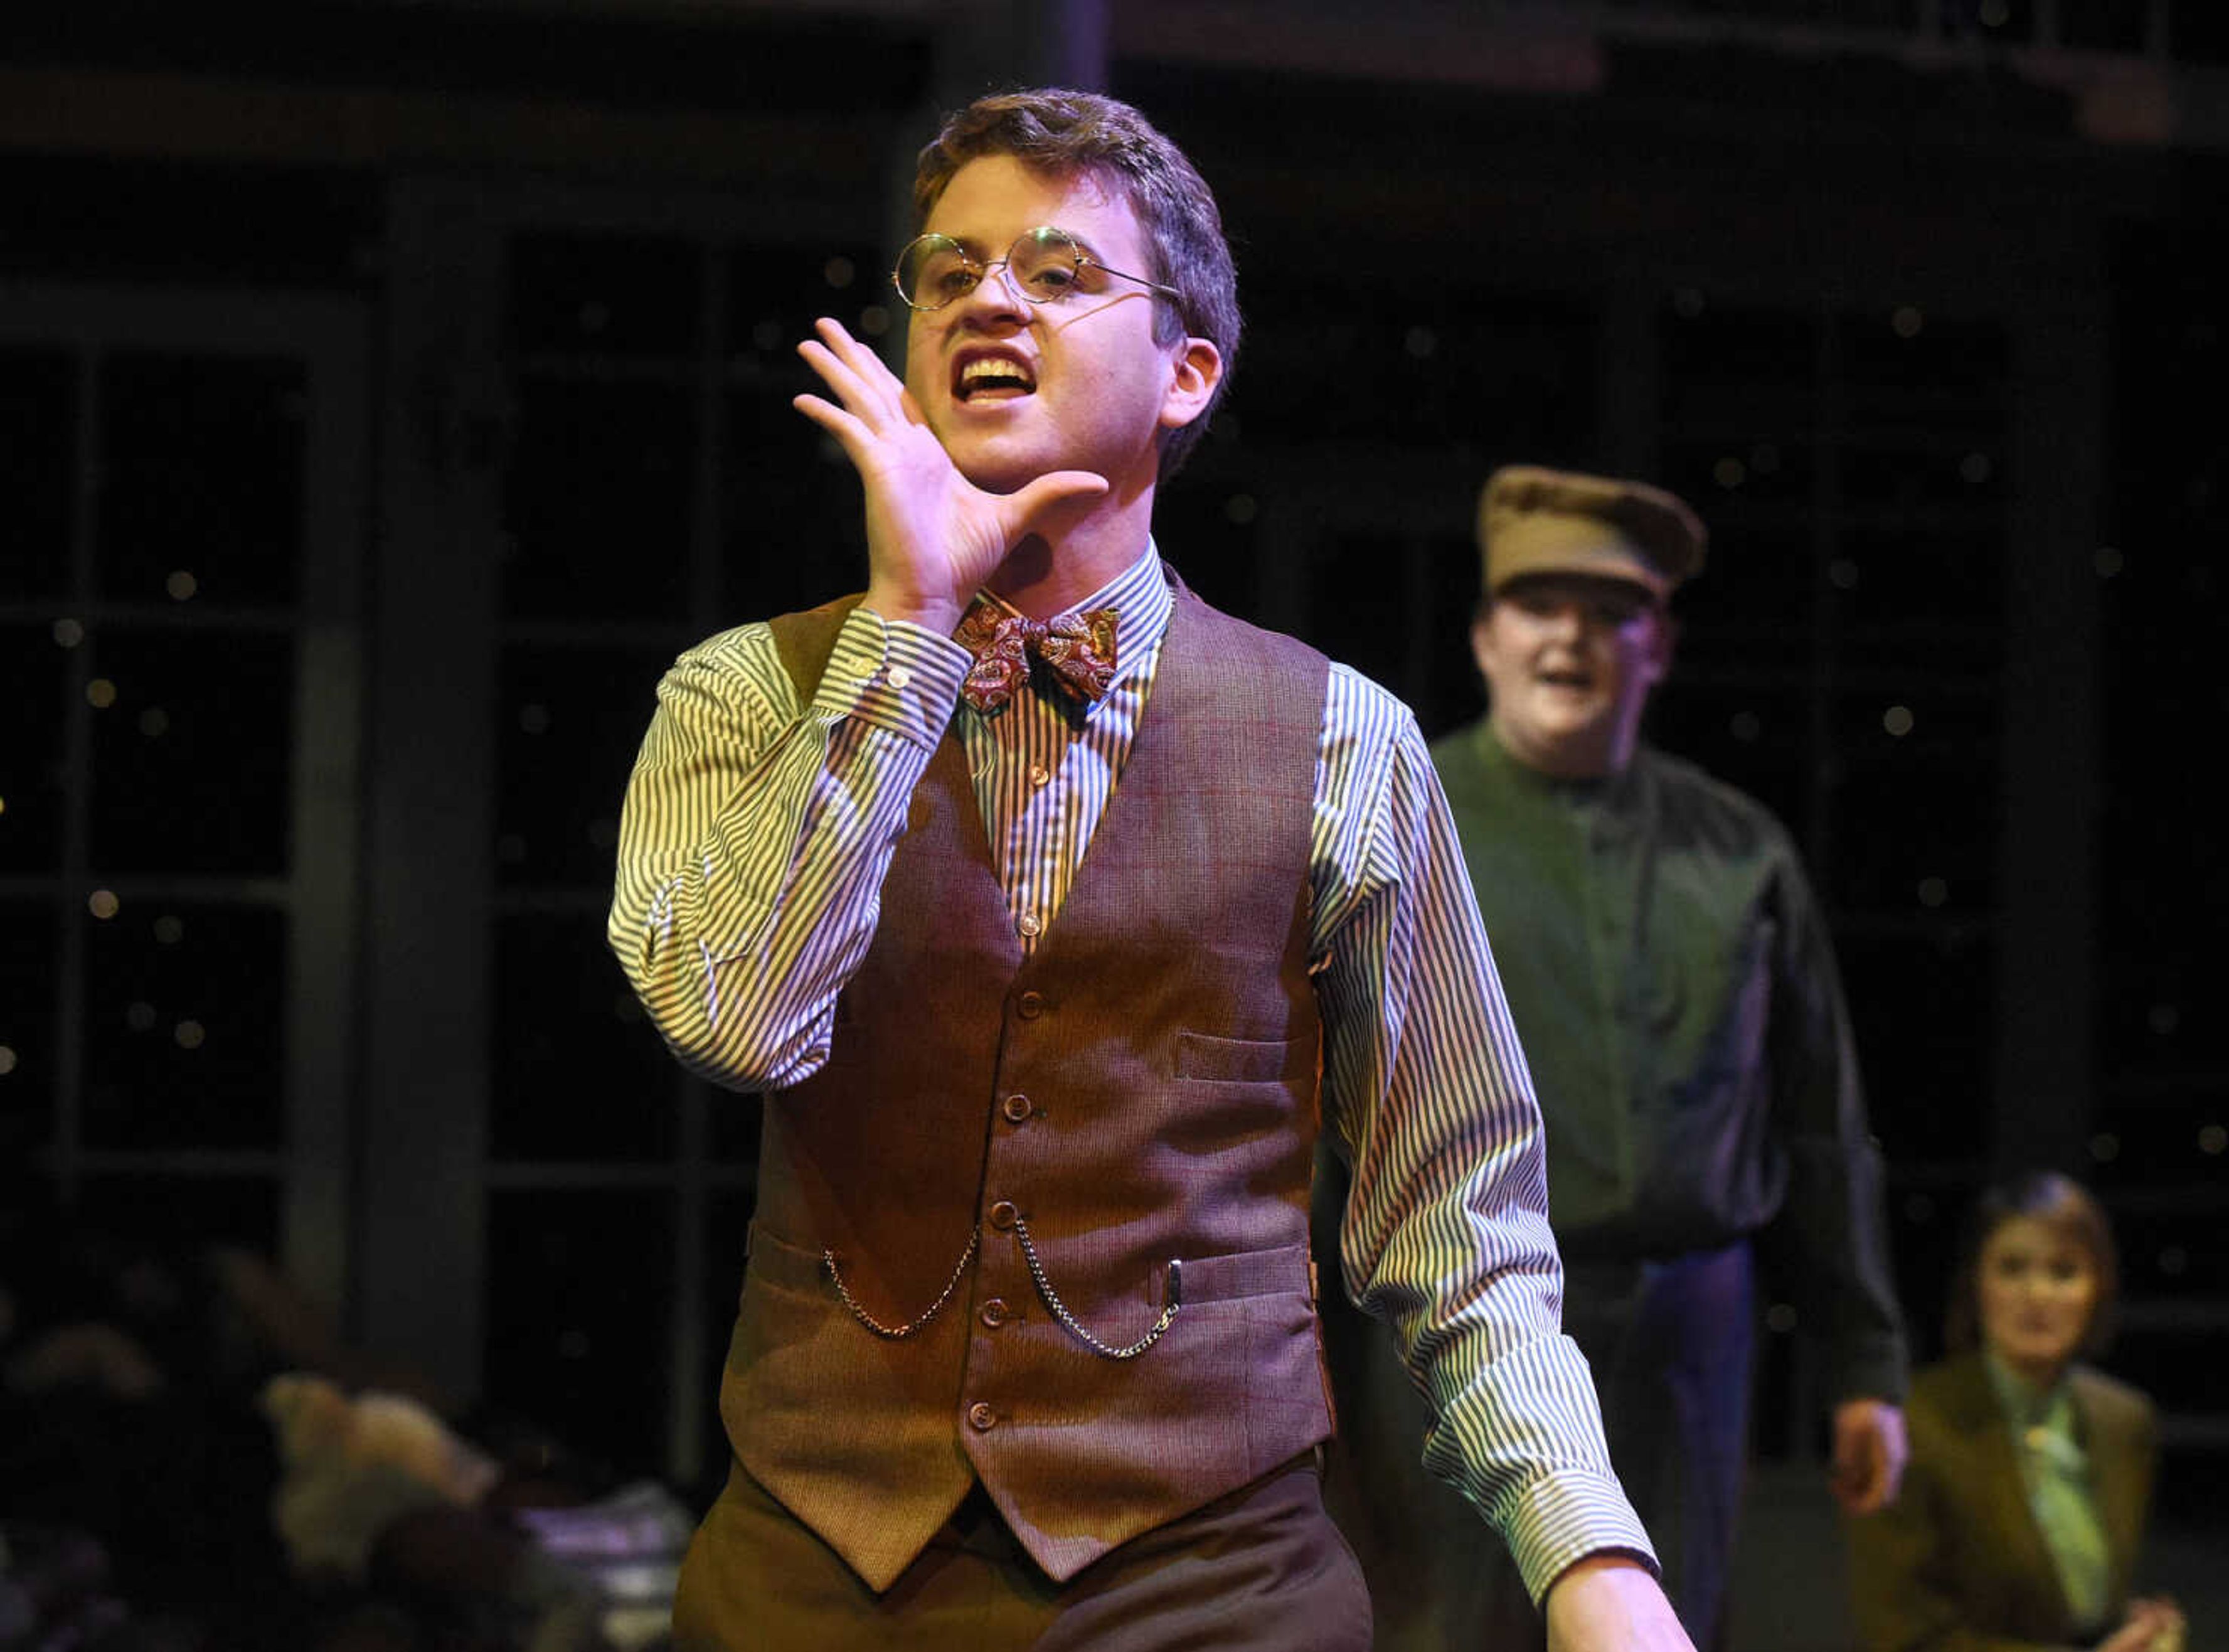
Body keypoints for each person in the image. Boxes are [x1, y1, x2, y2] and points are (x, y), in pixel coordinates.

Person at [607, 89, 1693, 1652]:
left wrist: (1589, 1563)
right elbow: (738, 1023)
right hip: (816, 1581)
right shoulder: (739, 698)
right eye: (949, 272)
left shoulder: (1343, 742)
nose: (987, 298)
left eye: (1056, 274)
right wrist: (906, 632)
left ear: (1186, 373)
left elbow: (1455, 1222)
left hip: (1206, 1588)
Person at [1317, 466, 1910, 1650]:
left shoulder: (1740, 852)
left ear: (1661, 645)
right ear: (1487, 634)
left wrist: (1868, 1357)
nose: (1572, 635)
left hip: (1689, 1340)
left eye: (1611, 610)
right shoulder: (1400, 815)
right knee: (1445, 1631)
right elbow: (1312, 1126)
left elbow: (1817, 1118)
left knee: (1666, 1626)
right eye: (1541, 603)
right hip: (1451, 1336)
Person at [1846, 1172, 2183, 1652]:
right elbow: (1901, 1637)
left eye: (2064, 1271)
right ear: (1975, 1283)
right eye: (2012, 1267)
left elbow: (2073, 1605)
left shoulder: (2124, 1419)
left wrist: (2141, 1632)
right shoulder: (1910, 1424)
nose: (2038, 1294)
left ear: (2098, 1288)